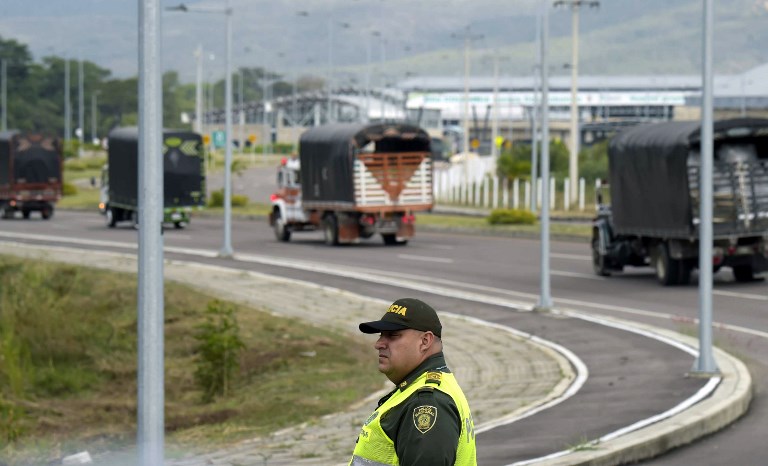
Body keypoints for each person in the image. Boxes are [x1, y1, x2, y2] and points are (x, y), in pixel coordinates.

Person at [350, 298, 477, 466]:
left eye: (392, 335)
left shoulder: (426, 403)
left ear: (425, 341)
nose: (379, 344)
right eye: (381, 335)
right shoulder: (423, 388)